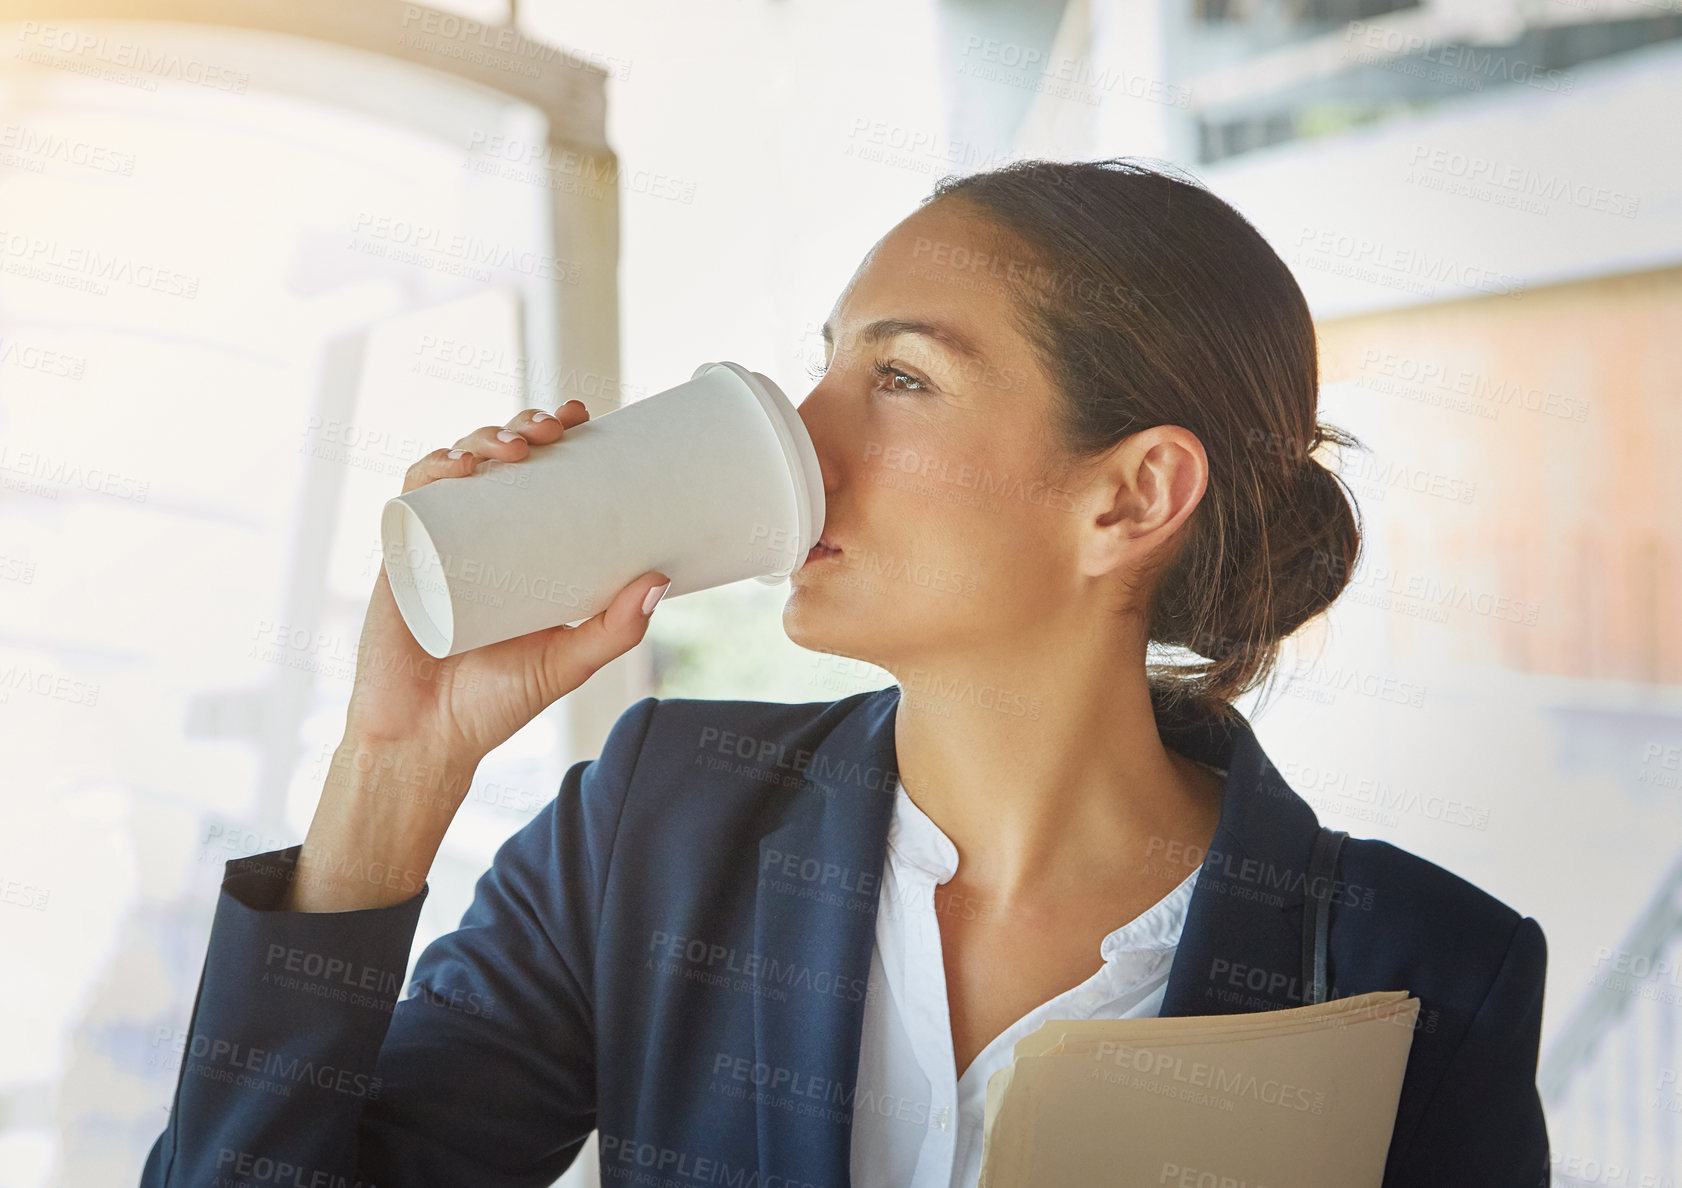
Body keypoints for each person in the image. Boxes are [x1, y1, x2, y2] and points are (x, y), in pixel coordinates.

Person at [139, 158, 1547, 1188]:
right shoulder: (656, 830)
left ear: (1128, 499)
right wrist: (397, 766)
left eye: (901, 378)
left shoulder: (1416, 973)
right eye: (825, 368)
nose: (798, 441)